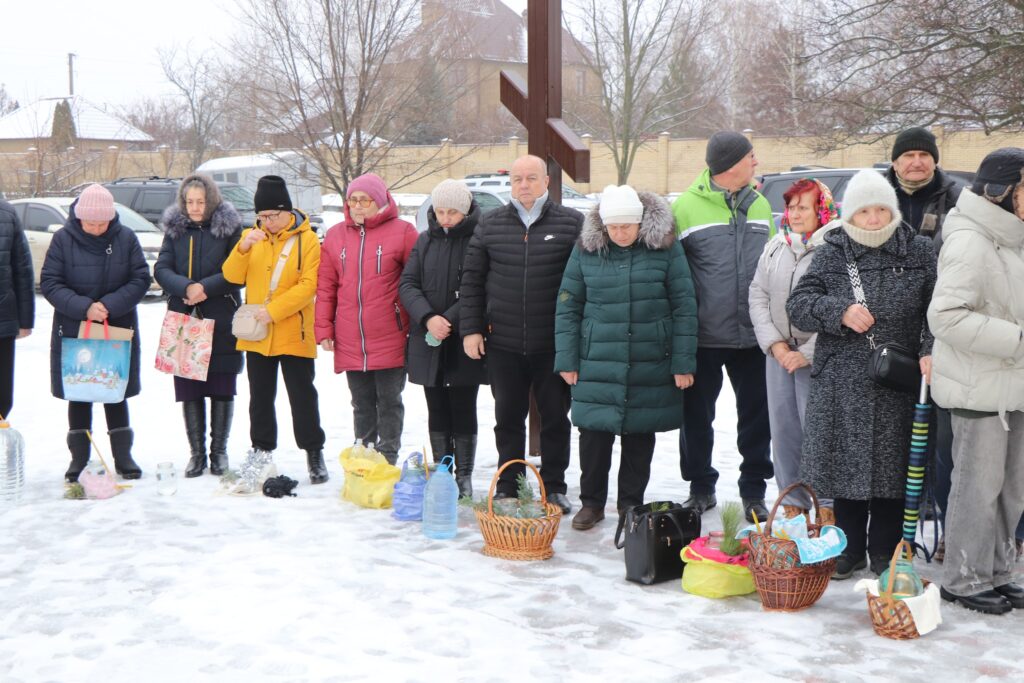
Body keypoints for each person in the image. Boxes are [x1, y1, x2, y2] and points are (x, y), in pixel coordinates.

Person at [787, 169, 936, 579]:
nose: (873, 219)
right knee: (846, 469)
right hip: (843, 379)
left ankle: (885, 551)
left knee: (892, 471)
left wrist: (929, 349)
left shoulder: (919, 251)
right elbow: (798, 305)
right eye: (864, 211)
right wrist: (839, 312)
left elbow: (935, 310)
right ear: (850, 216)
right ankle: (847, 550)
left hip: (899, 379)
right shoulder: (833, 252)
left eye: (881, 210)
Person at [555, 185, 697, 529]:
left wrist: (682, 363)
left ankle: (630, 505)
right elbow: (568, 305)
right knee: (593, 435)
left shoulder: (665, 249)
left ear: (640, 223)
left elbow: (684, 306)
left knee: (639, 436)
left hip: (650, 359)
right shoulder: (587, 251)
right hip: (596, 358)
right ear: (603, 225)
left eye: (626, 227)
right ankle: (591, 503)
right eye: (613, 227)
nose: (619, 233)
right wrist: (567, 360)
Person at [928, 148, 1024, 615]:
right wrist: (1018, 339)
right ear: (1001, 192)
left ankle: (1001, 571)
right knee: (977, 489)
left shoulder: (1013, 239)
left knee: (1012, 489)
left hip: (1015, 388)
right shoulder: (970, 241)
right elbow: (944, 317)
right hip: (978, 389)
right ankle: (964, 578)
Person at [460, 154, 584, 514]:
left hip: (553, 343)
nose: (524, 185)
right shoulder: (491, 224)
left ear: (547, 181)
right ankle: (510, 484)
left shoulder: (571, 223)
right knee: (508, 417)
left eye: (531, 178)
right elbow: (471, 281)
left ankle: (555, 485)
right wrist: (471, 329)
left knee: (556, 418)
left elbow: (582, 284)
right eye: (517, 179)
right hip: (504, 342)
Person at [671, 131, 774, 523]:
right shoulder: (685, 207)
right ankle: (700, 487)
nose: (756, 162)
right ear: (731, 164)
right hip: (703, 337)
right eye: (751, 156)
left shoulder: (762, 204)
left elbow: (773, 267)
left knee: (756, 417)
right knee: (697, 417)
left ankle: (753, 490)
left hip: (753, 336)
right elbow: (674, 277)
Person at [885, 126, 967, 560]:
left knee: (943, 437)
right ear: (895, 161)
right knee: (897, 430)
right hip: (891, 330)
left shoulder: (958, 199)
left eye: (924, 154)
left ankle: (945, 524)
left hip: (945, 329)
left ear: (935, 159)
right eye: (908, 155)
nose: (916, 162)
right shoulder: (878, 197)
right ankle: (901, 526)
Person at [40, 184, 150, 481]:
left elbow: (141, 278)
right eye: (91, 223)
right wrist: (84, 307)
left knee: (116, 390)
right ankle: (79, 458)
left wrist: (110, 305)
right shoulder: (63, 239)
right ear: (79, 218)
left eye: (103, 223)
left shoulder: (125, 237)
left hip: (116, 325)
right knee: (80, 390)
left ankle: (123, 456)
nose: (97, 229)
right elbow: (50, 282)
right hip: (75, 326)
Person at [222, 175, 328, 484]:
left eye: (273, 215)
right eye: (262, 216)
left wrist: (275, 311)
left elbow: (309, 285)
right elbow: (231, 276)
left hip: (294, 331)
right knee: (260, 398)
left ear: (287, 210)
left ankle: (313, 452)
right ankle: (261, 450)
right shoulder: (251, 236)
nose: (267, 221)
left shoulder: (306, 239)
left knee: (302, 396)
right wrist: (241, 249)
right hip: (257, 335)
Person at [748, 179, 838, 522]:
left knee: (818, 432)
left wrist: (809, 352)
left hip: (820, 356)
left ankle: (827, 505)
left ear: (822, 210)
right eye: (792, 206)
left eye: (805, 207)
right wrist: (776, 344)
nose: (796, 213)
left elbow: (840, 305)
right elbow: (758, 295)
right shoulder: (776, 245)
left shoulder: (835, 249)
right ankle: (793, 504)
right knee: (784, 431)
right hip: (780, 355)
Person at [315, 173, 418, 466]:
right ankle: (364, 454)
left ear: (381, 202)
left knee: (389, 401)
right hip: (350, 338)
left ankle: (387, 457)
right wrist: (324, 328)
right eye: (353, 200)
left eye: (365, 200)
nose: (358, 206)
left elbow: (415, 282)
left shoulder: (403, 232)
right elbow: (326, 287)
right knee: (360, 403)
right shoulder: (335, 236)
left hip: (390, 334)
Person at [398, 180, 486, 496]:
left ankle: (464, 475)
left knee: (463, 406)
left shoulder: (479, 240)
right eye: (440, 211)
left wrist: (449, 318)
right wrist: (428, 317)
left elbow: (482, 287)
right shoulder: (425, 241)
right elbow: (408, 285)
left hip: (464, 336)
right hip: (428, 337)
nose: (445, 218)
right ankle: (443, 469)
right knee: (436, 405)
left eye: (452, 212)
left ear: (465, 212)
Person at [155, 174, 244, 477]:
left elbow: (238, 271)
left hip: (221, 314)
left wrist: (204, 287)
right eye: (190, 201)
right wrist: (185, 287)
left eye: (200, 202)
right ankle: (197, 454)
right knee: (190, 387)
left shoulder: (229, 229)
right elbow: (162, 268)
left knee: (221, 385)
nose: (194, 207)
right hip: (185, 316)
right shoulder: (175, 230)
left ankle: (219, 452)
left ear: (212, 201)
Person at [0, 197, 34, 419]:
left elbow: (22, 269)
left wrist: (25, 320)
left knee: (2, 396)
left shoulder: (7, 213)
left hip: (3, 319)